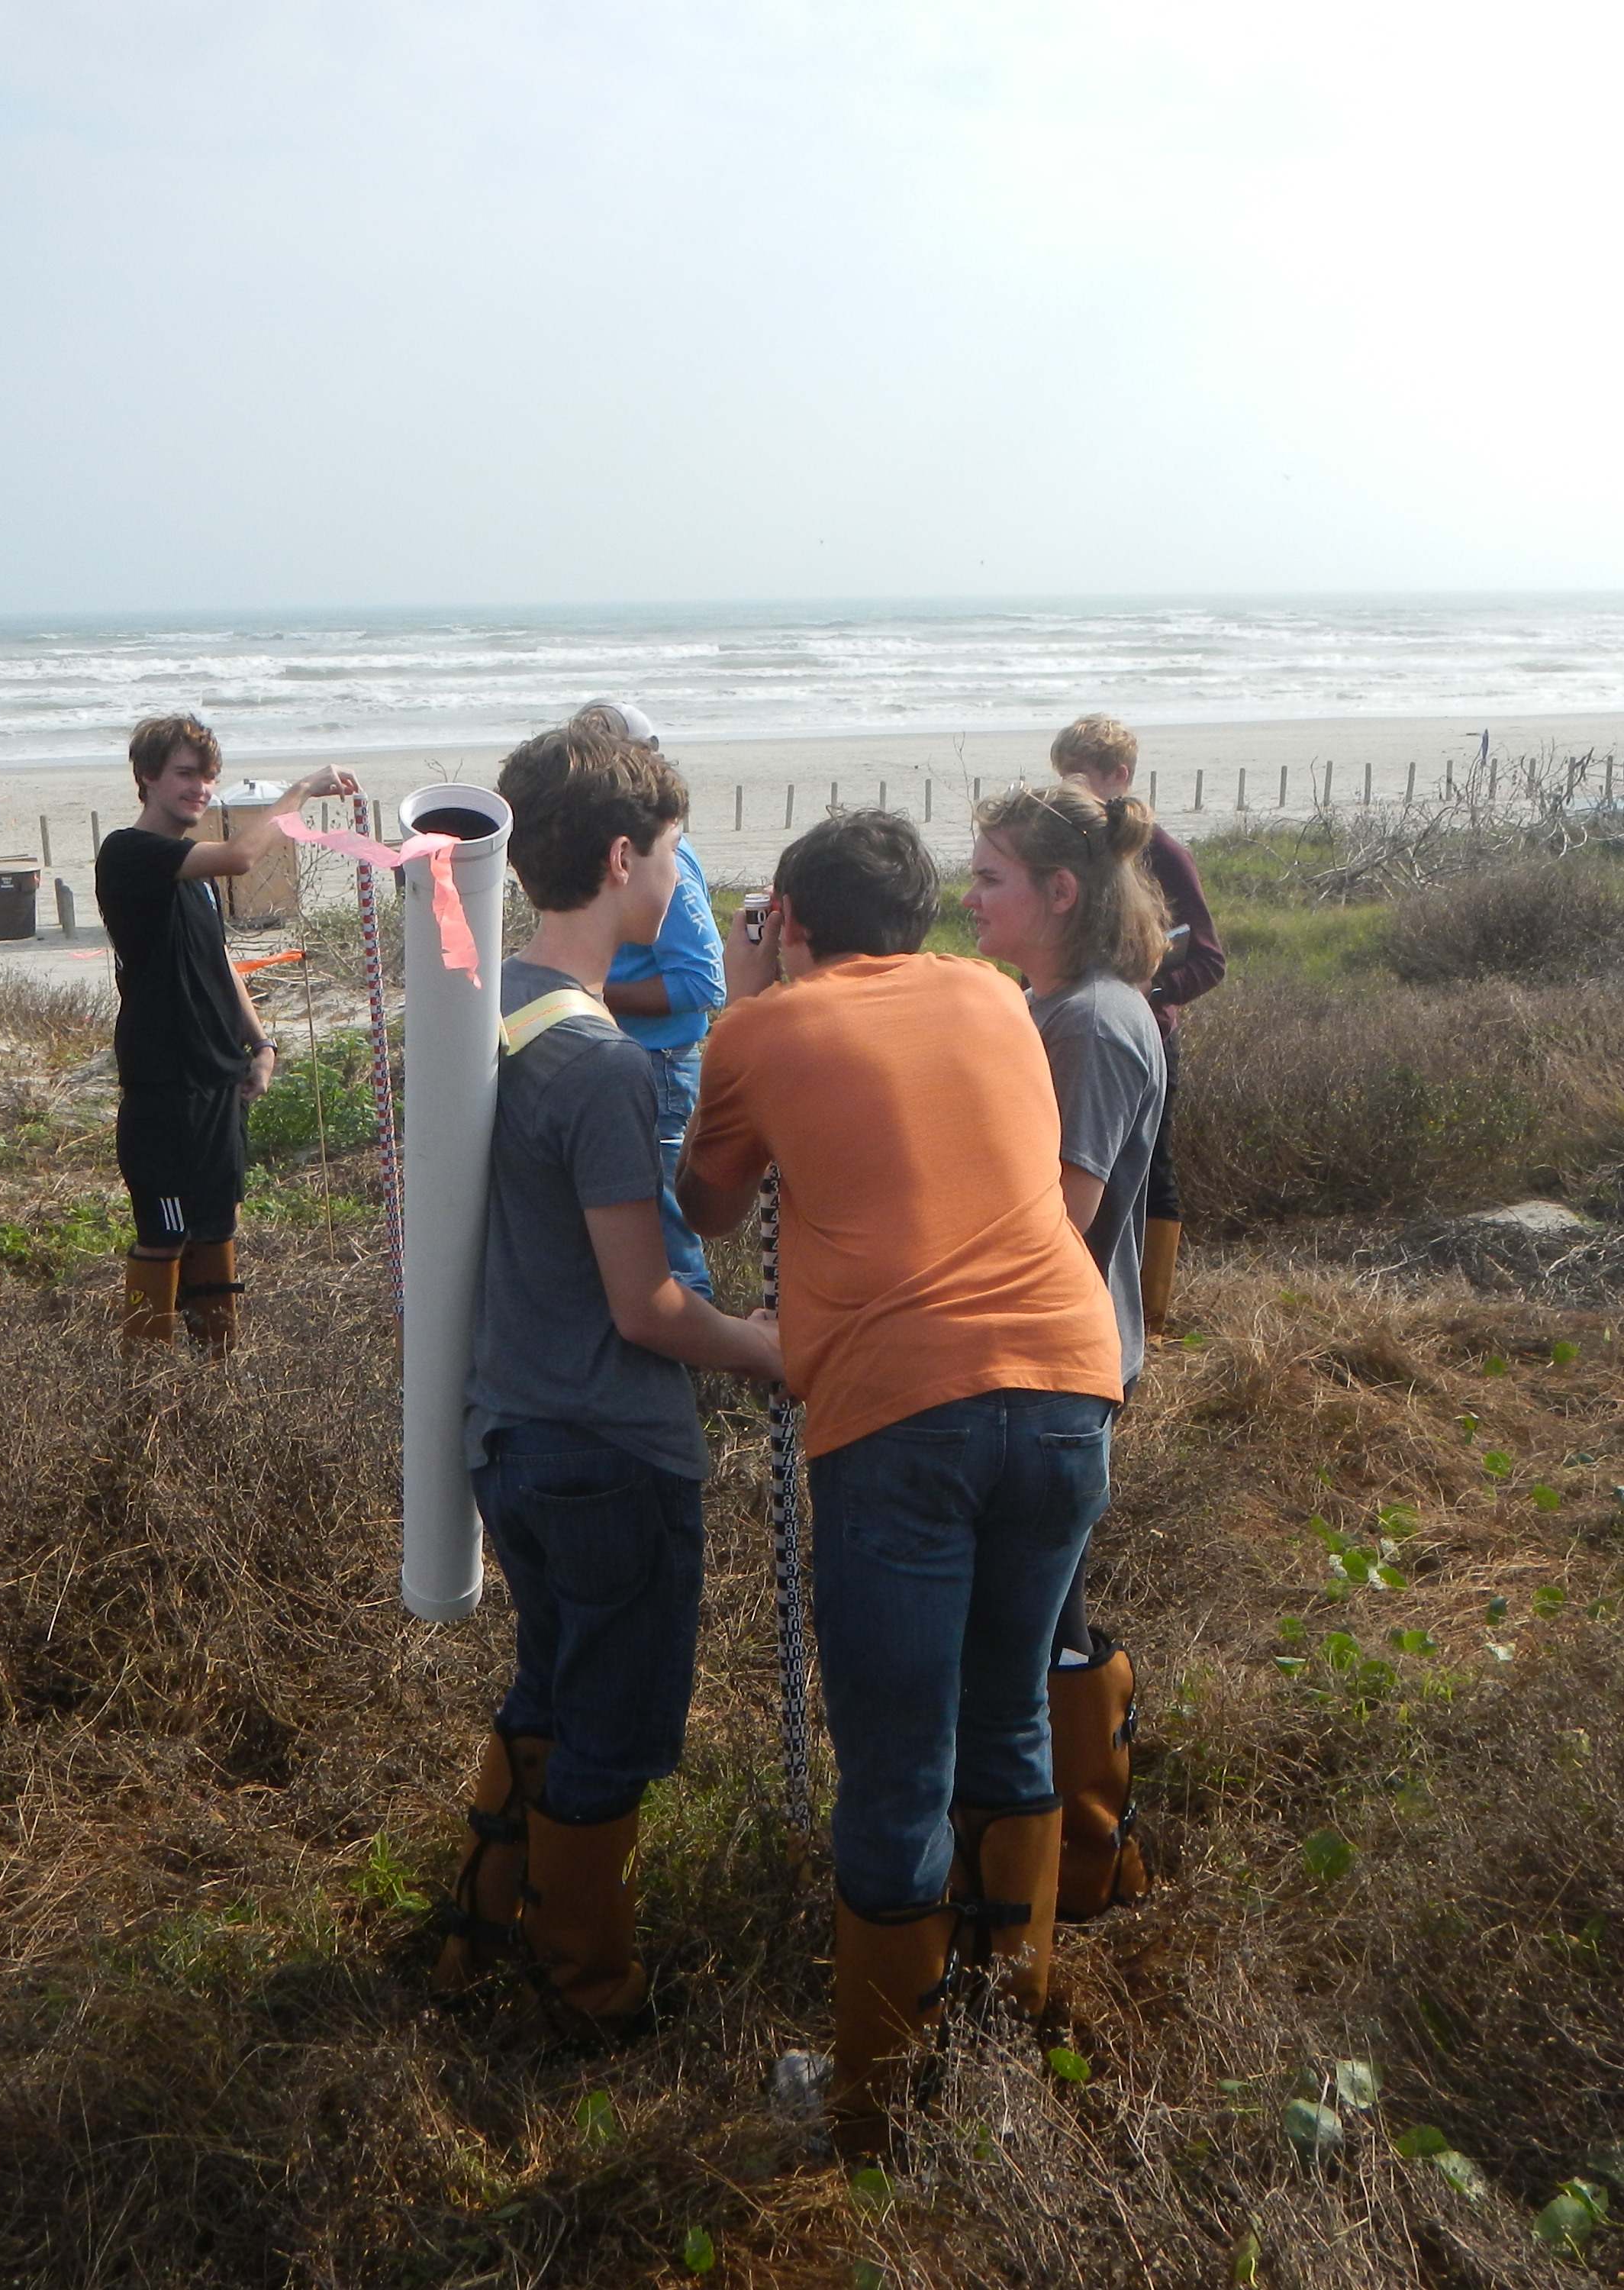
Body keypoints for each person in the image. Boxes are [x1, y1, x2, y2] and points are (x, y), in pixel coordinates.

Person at [678, 810, 1123, 2153]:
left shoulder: (757, 1030)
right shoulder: (998, 1001)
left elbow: (706, 1206)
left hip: (898, 1419)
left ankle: (876, 2104)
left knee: (893, 1765)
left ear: (793, 921)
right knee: (1008, 1720)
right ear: (921, 916)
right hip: (1065, 1390)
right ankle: (1008, 2026)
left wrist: (748, 998)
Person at [428, 721, 784, 2045]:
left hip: (507, 1434)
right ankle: (590, 2000)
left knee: (551, 1687)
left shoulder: (486, 1015)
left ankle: (478, 1933)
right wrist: (764, 1348)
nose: (677, 887)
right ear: (626, 858)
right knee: (617, 1733)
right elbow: (650, 1305)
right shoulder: (603, 1067)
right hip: (608, 1450)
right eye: (674, 860)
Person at [960, 782, 1169, 1924]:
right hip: (1058, 1355)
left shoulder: (1088, 1022)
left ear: (1059, 891)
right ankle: (1080, 1859)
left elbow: (1060, 1219)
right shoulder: (1060, 1004)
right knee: (1046, 1616)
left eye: (991, 878)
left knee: (1035, 1627)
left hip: (1057, 1360)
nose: (969, 897)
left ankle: (1075, 1865)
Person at [95, 714, 358, 1352]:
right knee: (165, 1236)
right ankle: (147, 1388)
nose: (201, 790)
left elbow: (220, 963)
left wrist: (261, 1045)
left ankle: (217, 1383)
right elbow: (242, 856)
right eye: (186, 775)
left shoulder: (195, 879)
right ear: (148, 777)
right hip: (164, 1087)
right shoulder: (129, 854)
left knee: (216, 1229)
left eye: (208, 778)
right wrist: (299, 792)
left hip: (219, 1079)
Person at [1049, 715, 1225, 1334]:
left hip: (1145, 1037)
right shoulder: (1069, 853)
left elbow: (1207, 960)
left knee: (1151, 1170)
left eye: (1079, 776)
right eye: (1060, 776)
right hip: (1083, 1031)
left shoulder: (1162, 853)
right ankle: (1094, 1301)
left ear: (1118, 777)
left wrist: (1142, 992)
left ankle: (1151, 1316)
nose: (1068, 788)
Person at [581, 702, 728, 1298]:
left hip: (661, 1067)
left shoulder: (665, 856)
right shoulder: (601, 850)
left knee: (665, 1237)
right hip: (615, 1058)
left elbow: (703, 984)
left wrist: (586, 991)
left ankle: (691, 1377)